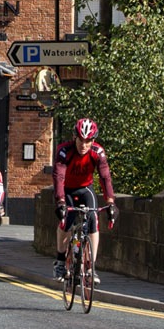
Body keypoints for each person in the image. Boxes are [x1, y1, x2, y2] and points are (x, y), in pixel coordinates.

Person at [52, 117, 116, 285]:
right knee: (66, 222)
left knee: (94, 220)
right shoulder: (64, 150)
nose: (84, 145)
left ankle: (90, 268)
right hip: (66, 190)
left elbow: (105, 177)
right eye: (81, 140)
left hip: (85, 188)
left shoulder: (98, 152)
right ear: (75, 138)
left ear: (93, 140)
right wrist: (60, 202)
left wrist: (110, 202)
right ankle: (60, 261)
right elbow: (59, 176)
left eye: (88, 141)